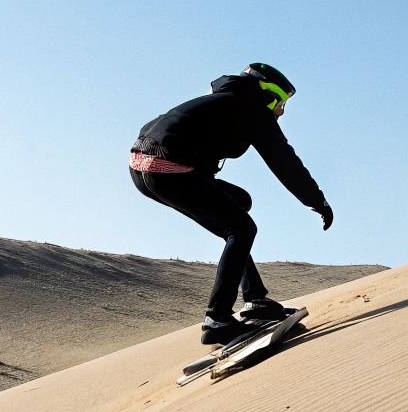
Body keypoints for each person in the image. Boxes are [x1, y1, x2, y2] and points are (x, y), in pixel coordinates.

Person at [130, 63, 333, 345]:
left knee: (239, 203)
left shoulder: (226, 100)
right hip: (169, 169)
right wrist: (317, 200)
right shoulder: (253, 107)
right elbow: (284, 161)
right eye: (282, 103)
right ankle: (218, 319)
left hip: (144, 168)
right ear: (270, 95)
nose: (281, 112)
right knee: (242, 229)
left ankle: (256, 299)